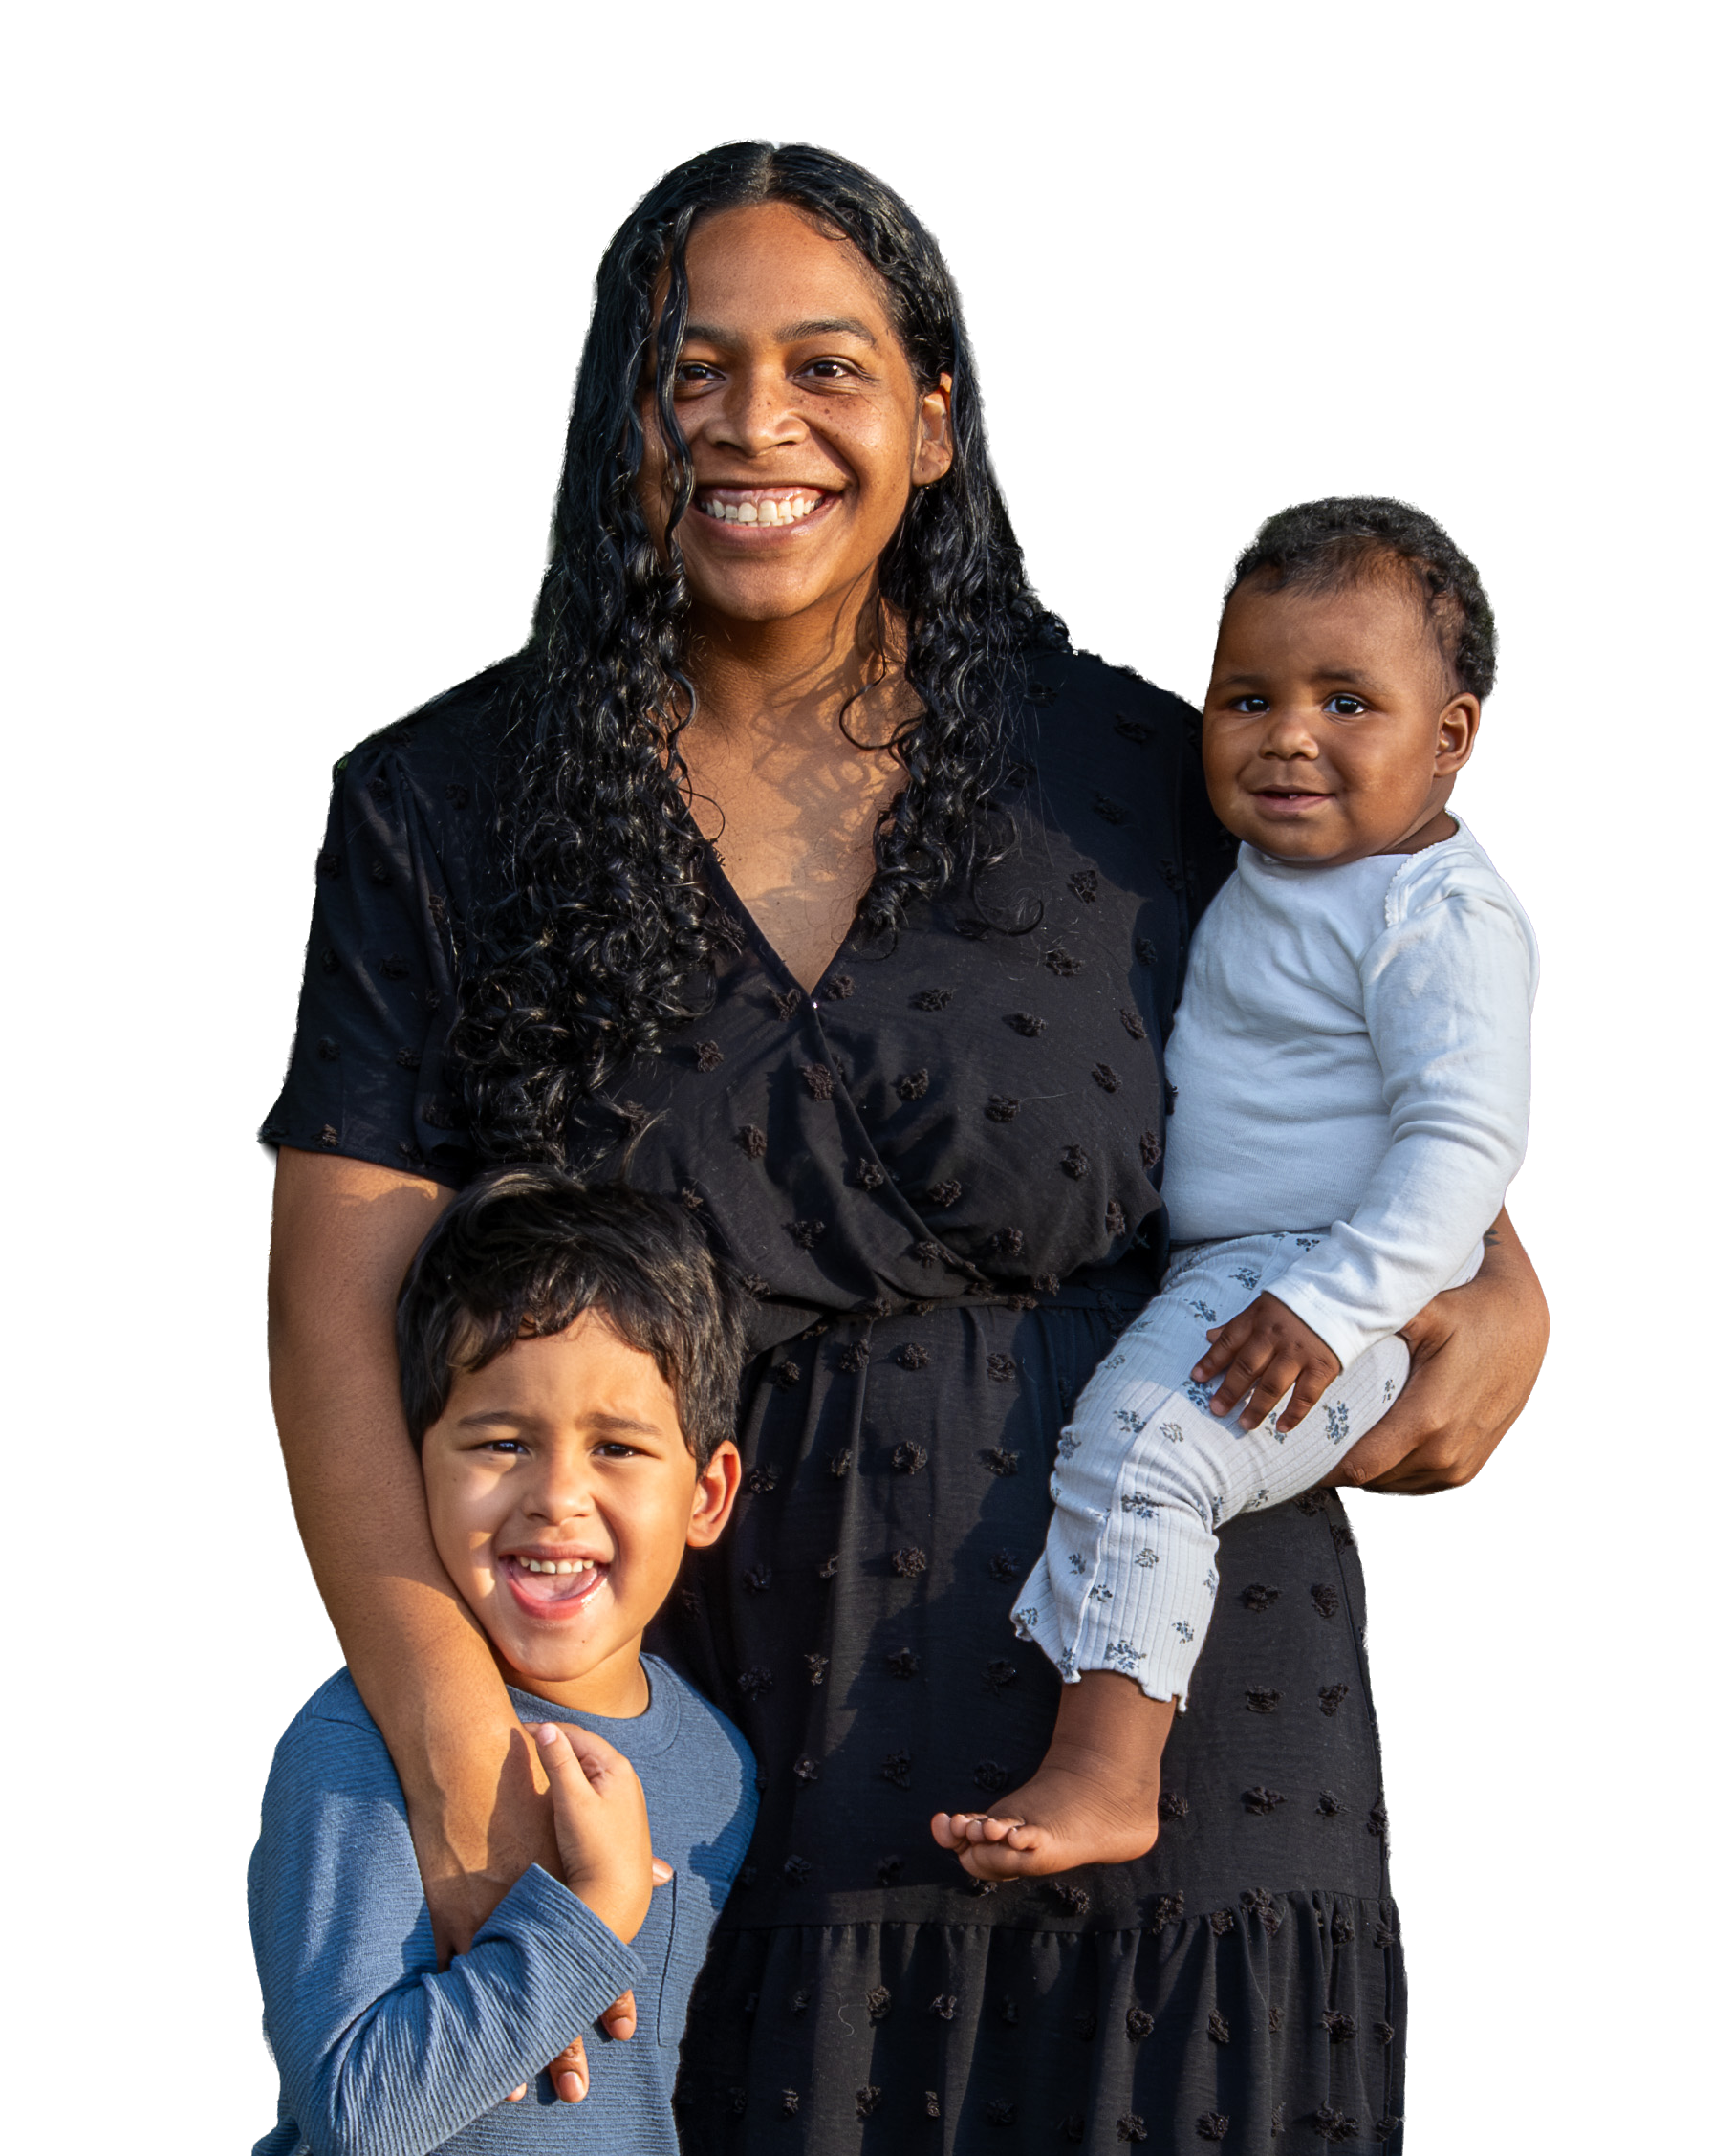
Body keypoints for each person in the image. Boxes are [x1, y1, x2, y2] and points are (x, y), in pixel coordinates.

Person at [262, 139, 1550, 2153]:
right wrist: (442, 1735)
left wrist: (1503, 1270)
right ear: (619, 420)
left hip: (1185, 1753)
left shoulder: (1147, 764)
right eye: (692, 372)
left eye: (826, 367)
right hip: (701, 1757)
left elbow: (1420, 973)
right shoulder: (439, 803)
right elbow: (338, 1308)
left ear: (933, 419)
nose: (753, 424)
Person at [933, 498, 1539, 1883]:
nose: (1288, 736)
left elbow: (1462, 1145)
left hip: (1331, 1280)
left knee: (1153, 1450)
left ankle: (1108, 1771)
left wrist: (1327, 1303)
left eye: (1346, 700)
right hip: (1253, 1265)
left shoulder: (1435, 916)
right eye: (1247, 696)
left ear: (1451, 737)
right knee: (1131, 1450)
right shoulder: (1271, 864)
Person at [249, 1171, 758, 2152]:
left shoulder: (720, 1764)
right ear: (412, 1464)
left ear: (708, 1491)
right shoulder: (360, 1740)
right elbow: (357, 2115)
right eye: (502, 1440)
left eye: (616, 1445)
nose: (556, 1495)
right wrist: (590, 1916)